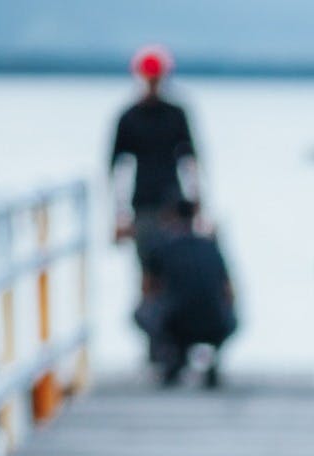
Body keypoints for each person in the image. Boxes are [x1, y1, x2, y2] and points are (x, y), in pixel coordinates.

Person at [109, 46, 202, 288]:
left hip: (175, 207)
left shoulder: (176, 114)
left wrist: (198, 206)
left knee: (179, 271)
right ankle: (153, 321)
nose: (153, 83)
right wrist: (119, 217)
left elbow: (190, 161)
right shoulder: (129, 117)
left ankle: (171, 322)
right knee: (149, 274)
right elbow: (117, 169)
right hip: (143, 207)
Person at [134, 202, 238, 389]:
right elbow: (229, 292)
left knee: (143, 312)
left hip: (176, 323)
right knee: (226, 312)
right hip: (216, 323)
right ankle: (212, 359)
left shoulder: (160, 246)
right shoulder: (211, 246)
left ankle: (172, 357)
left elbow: (147, 291)